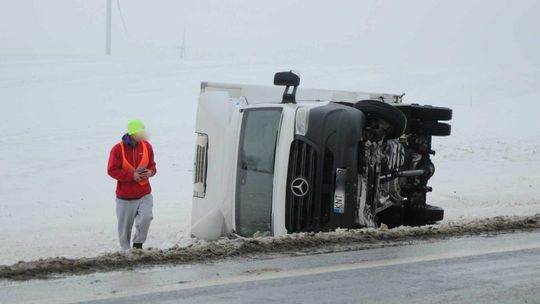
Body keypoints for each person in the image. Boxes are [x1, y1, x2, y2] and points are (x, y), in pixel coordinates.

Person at [107, 119, 157, 250]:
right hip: (125, 197)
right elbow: (112, 170)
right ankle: (125, 251)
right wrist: (131, 176)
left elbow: (152, 164)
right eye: (141, 132)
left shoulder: (147, 146)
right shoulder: (117, 149)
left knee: (146, 218)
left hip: (144, 194)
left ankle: (138, 245)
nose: (144, 134)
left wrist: (151, 172)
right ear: (133, 134)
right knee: (124, 228)